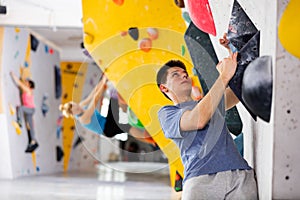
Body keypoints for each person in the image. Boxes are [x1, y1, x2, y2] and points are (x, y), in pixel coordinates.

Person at [156, 37, 258, 199]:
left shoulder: (208, 103)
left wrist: (232, 51)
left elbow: (238, 92)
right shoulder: (167, 113)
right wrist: (223, 76)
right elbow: (199, 119)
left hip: (239, 176)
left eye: (185, 74)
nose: (184, 76)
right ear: (164, 88)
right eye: (176, 74)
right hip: (201, 182)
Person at [59, 76, 156, 146]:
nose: (79, 107)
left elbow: (91, 95)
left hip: (106, 120)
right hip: (107, 129)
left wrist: (103, 80)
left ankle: (122, 94)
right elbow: (95, 100)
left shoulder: (80, 106)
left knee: (113, 99)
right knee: (126, 126)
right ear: (73, 114)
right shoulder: (83, 119)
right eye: (76, 109)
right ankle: (152, 139)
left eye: (76, 105)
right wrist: (104, 84)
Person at [10, 71, 39, 153]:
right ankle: (34, 141)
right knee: (31, 126)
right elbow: (21, 83)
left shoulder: (27, 90)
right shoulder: (27, 90)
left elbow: (19, 83)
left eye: (27, 82)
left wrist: (13, 75)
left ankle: (19, 122)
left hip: (30, 109)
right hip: (30, 109)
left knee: (21, 108)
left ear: (29, 85)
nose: (25, 82)